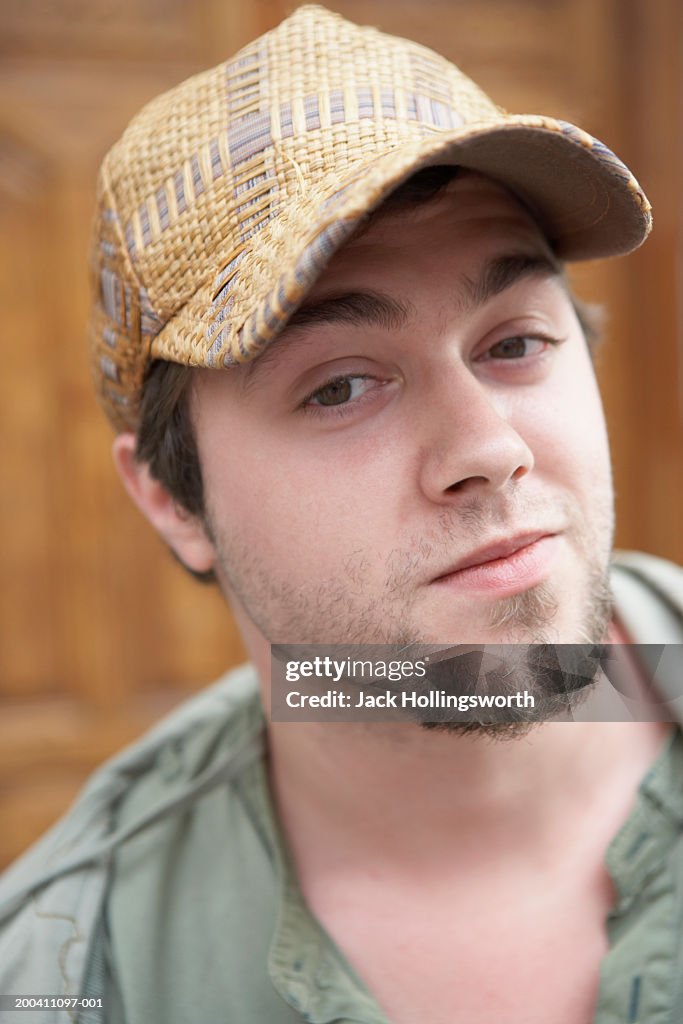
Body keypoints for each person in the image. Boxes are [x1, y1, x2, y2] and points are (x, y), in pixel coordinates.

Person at [1, 5, 683, 1022]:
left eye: (513, 343)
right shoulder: (69, 969)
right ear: (170, 498)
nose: (490, 449)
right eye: (338, 388)